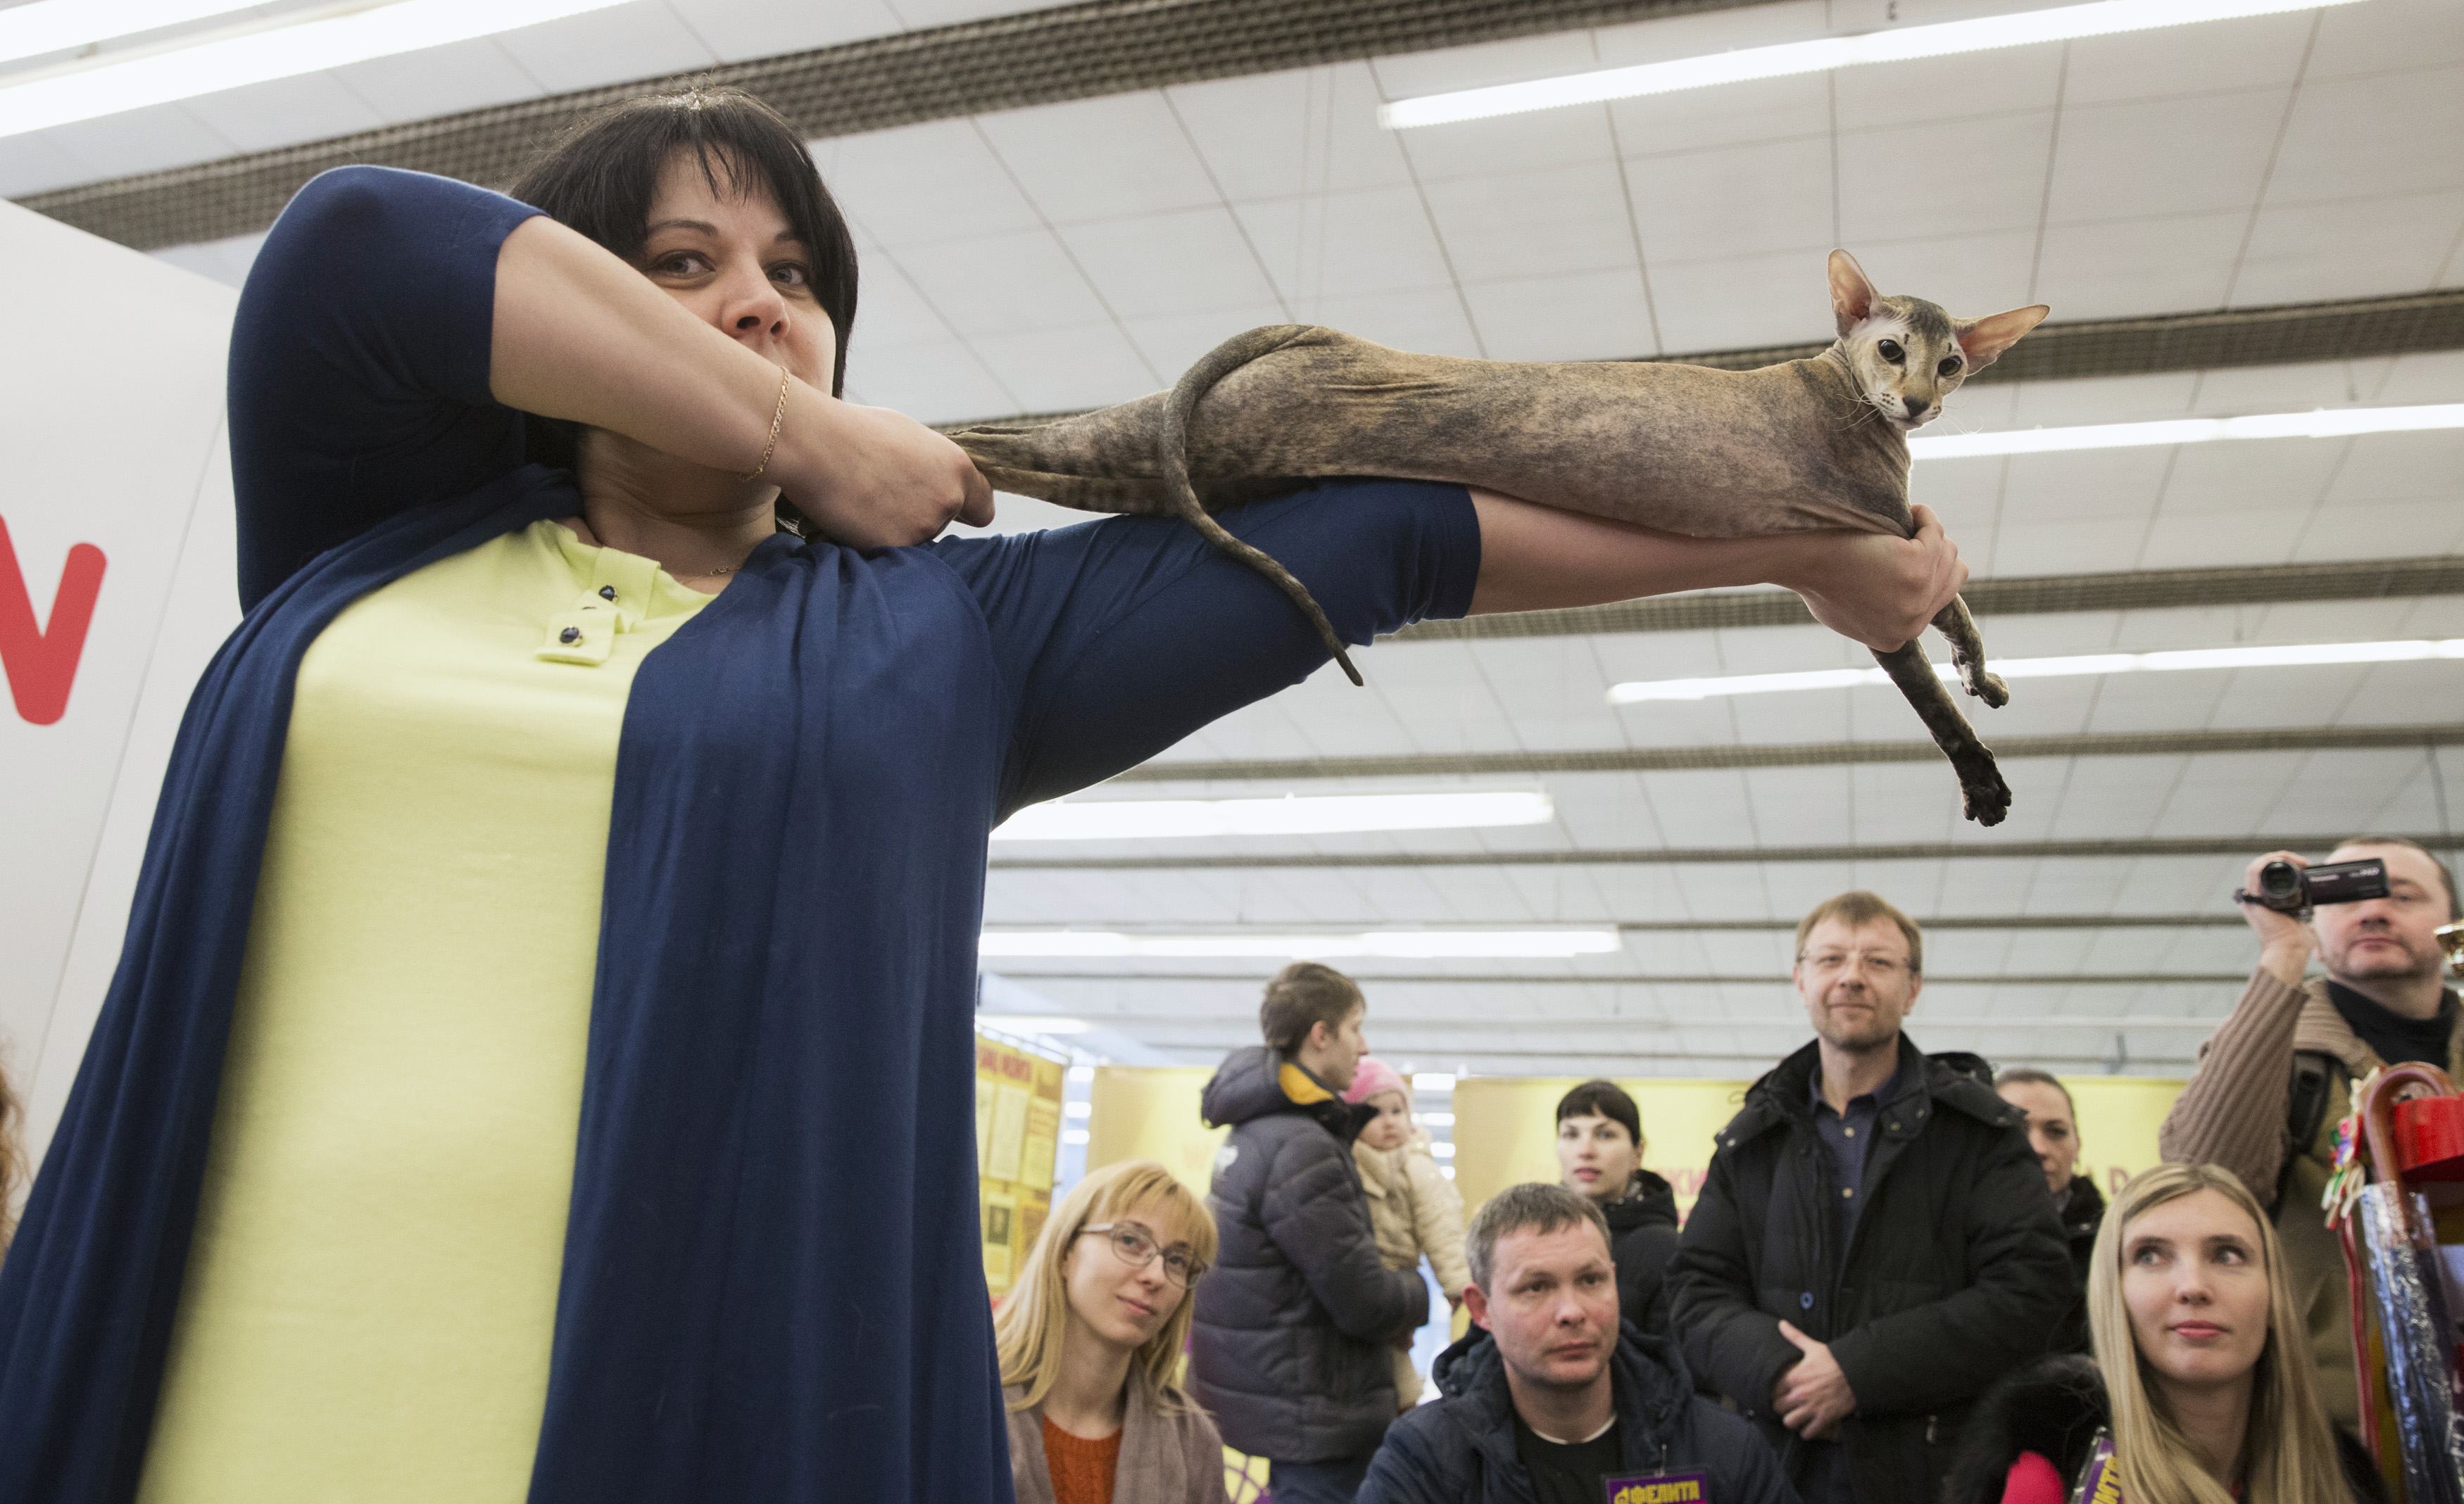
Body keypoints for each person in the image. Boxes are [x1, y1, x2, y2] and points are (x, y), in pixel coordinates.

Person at [0, 83, 1972, 1499]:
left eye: (795, 276)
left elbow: (1387, 531)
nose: (758, 299)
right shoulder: (368, 533)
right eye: (678, 263)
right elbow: (355, 243)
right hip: (189, 1404)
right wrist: (799, 434)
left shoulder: (944, 640)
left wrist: (1793, 550)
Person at [1666, 890, 2074, 1504]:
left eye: (1878, 962)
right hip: (1774, 1472)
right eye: (1831, 959)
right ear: (1801, 979)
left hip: (1935, 1477)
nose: (1852, 976)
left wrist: (1857, 1374)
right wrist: (1781, 1372)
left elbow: (2031, 1288)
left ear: (1913, 988)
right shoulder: (1753, 1138)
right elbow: (1694, 1290)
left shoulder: (1979, 1134)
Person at [2159, 838, 2463, 1430]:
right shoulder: (2275, 1051)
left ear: (2451, 923)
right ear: (2316, 929)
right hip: (2333, 1426)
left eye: (2403, 896)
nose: (2374, 911)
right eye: (2347, 897)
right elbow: (2201, 1179)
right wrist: (2282, 951)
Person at [1943, 1162, 2387, 1504]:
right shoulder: (2048, 1474)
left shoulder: (2344, 1481)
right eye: (2151, 1256)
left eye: (2227, 1255)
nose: (2193, 1286)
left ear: (2275, 1297)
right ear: (2114, 1297)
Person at [1356, 1182, 1800, 1504]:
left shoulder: (1721, 1449)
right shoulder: (1426, 1459)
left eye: (1591, 1280)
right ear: (1481, 1309)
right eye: (1536, 1287)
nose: (1571, 1311)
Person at [1193, 964, 1427, 1501]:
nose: (1364, 1046)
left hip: (1284, 1403)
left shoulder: (1254, 1130)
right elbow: (1363, 1300)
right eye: (1355, 1028)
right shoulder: (1302, 1146)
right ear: (1321, 1035)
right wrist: (1418, 1290)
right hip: (1319, 1416)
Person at [995, 1159, 1232, 1504]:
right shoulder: (972, 1405)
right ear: (1066, 1252)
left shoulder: (1192, 1440)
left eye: (1178, 1261)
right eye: (1130, 1240)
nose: (1156, 1276)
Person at [1344, 1056, 1472, 1410]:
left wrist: (1457, 1282)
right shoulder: (1346, 1162)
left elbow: (1441, 1225)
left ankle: (1404, 1411)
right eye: (1374, 1113)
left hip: (1396, 1276)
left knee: (1397, 1370)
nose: (1389, 1122)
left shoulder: (1415, 1164)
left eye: (1397, 1111)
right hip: (1361, 1279)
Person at [1552, 1078, 1681, 1336]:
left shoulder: (1668, 1249)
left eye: (1605, 1135)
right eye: (1571, 1134)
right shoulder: (1532, 1235)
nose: (1585, 1150)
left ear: (1637, 1153)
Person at [1997, 1066, 2104, 1353]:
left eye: (2056, 1132)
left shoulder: (2115, 1244)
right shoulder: (1940, 1240)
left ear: (2078, 1145)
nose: (2038, 1148)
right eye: (2016, 1130)